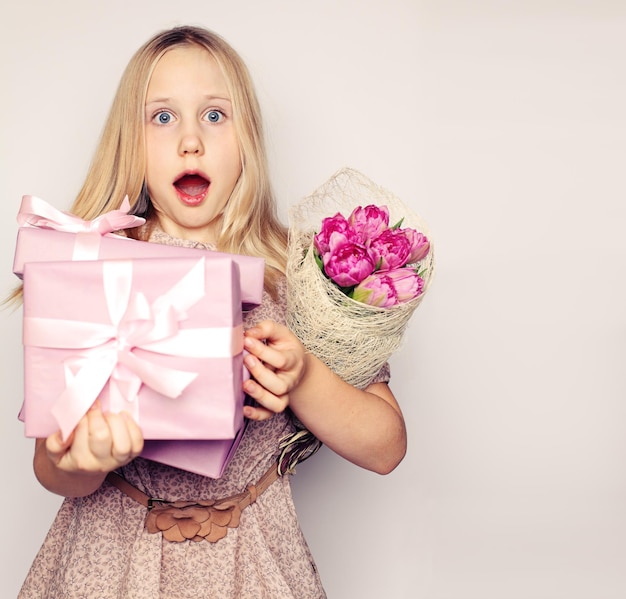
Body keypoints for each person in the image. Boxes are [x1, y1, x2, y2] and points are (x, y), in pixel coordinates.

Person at [18, 25, 407, 599]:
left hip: (253, 567)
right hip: (113, 564)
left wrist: (303, 377)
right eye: (163, 117)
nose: (191, 142)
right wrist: (86, 458)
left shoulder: (301, 278)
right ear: (131, 140)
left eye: (215, 115)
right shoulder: (99, 269)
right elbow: (51, 472)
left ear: (247, 137)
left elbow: (386, 447)